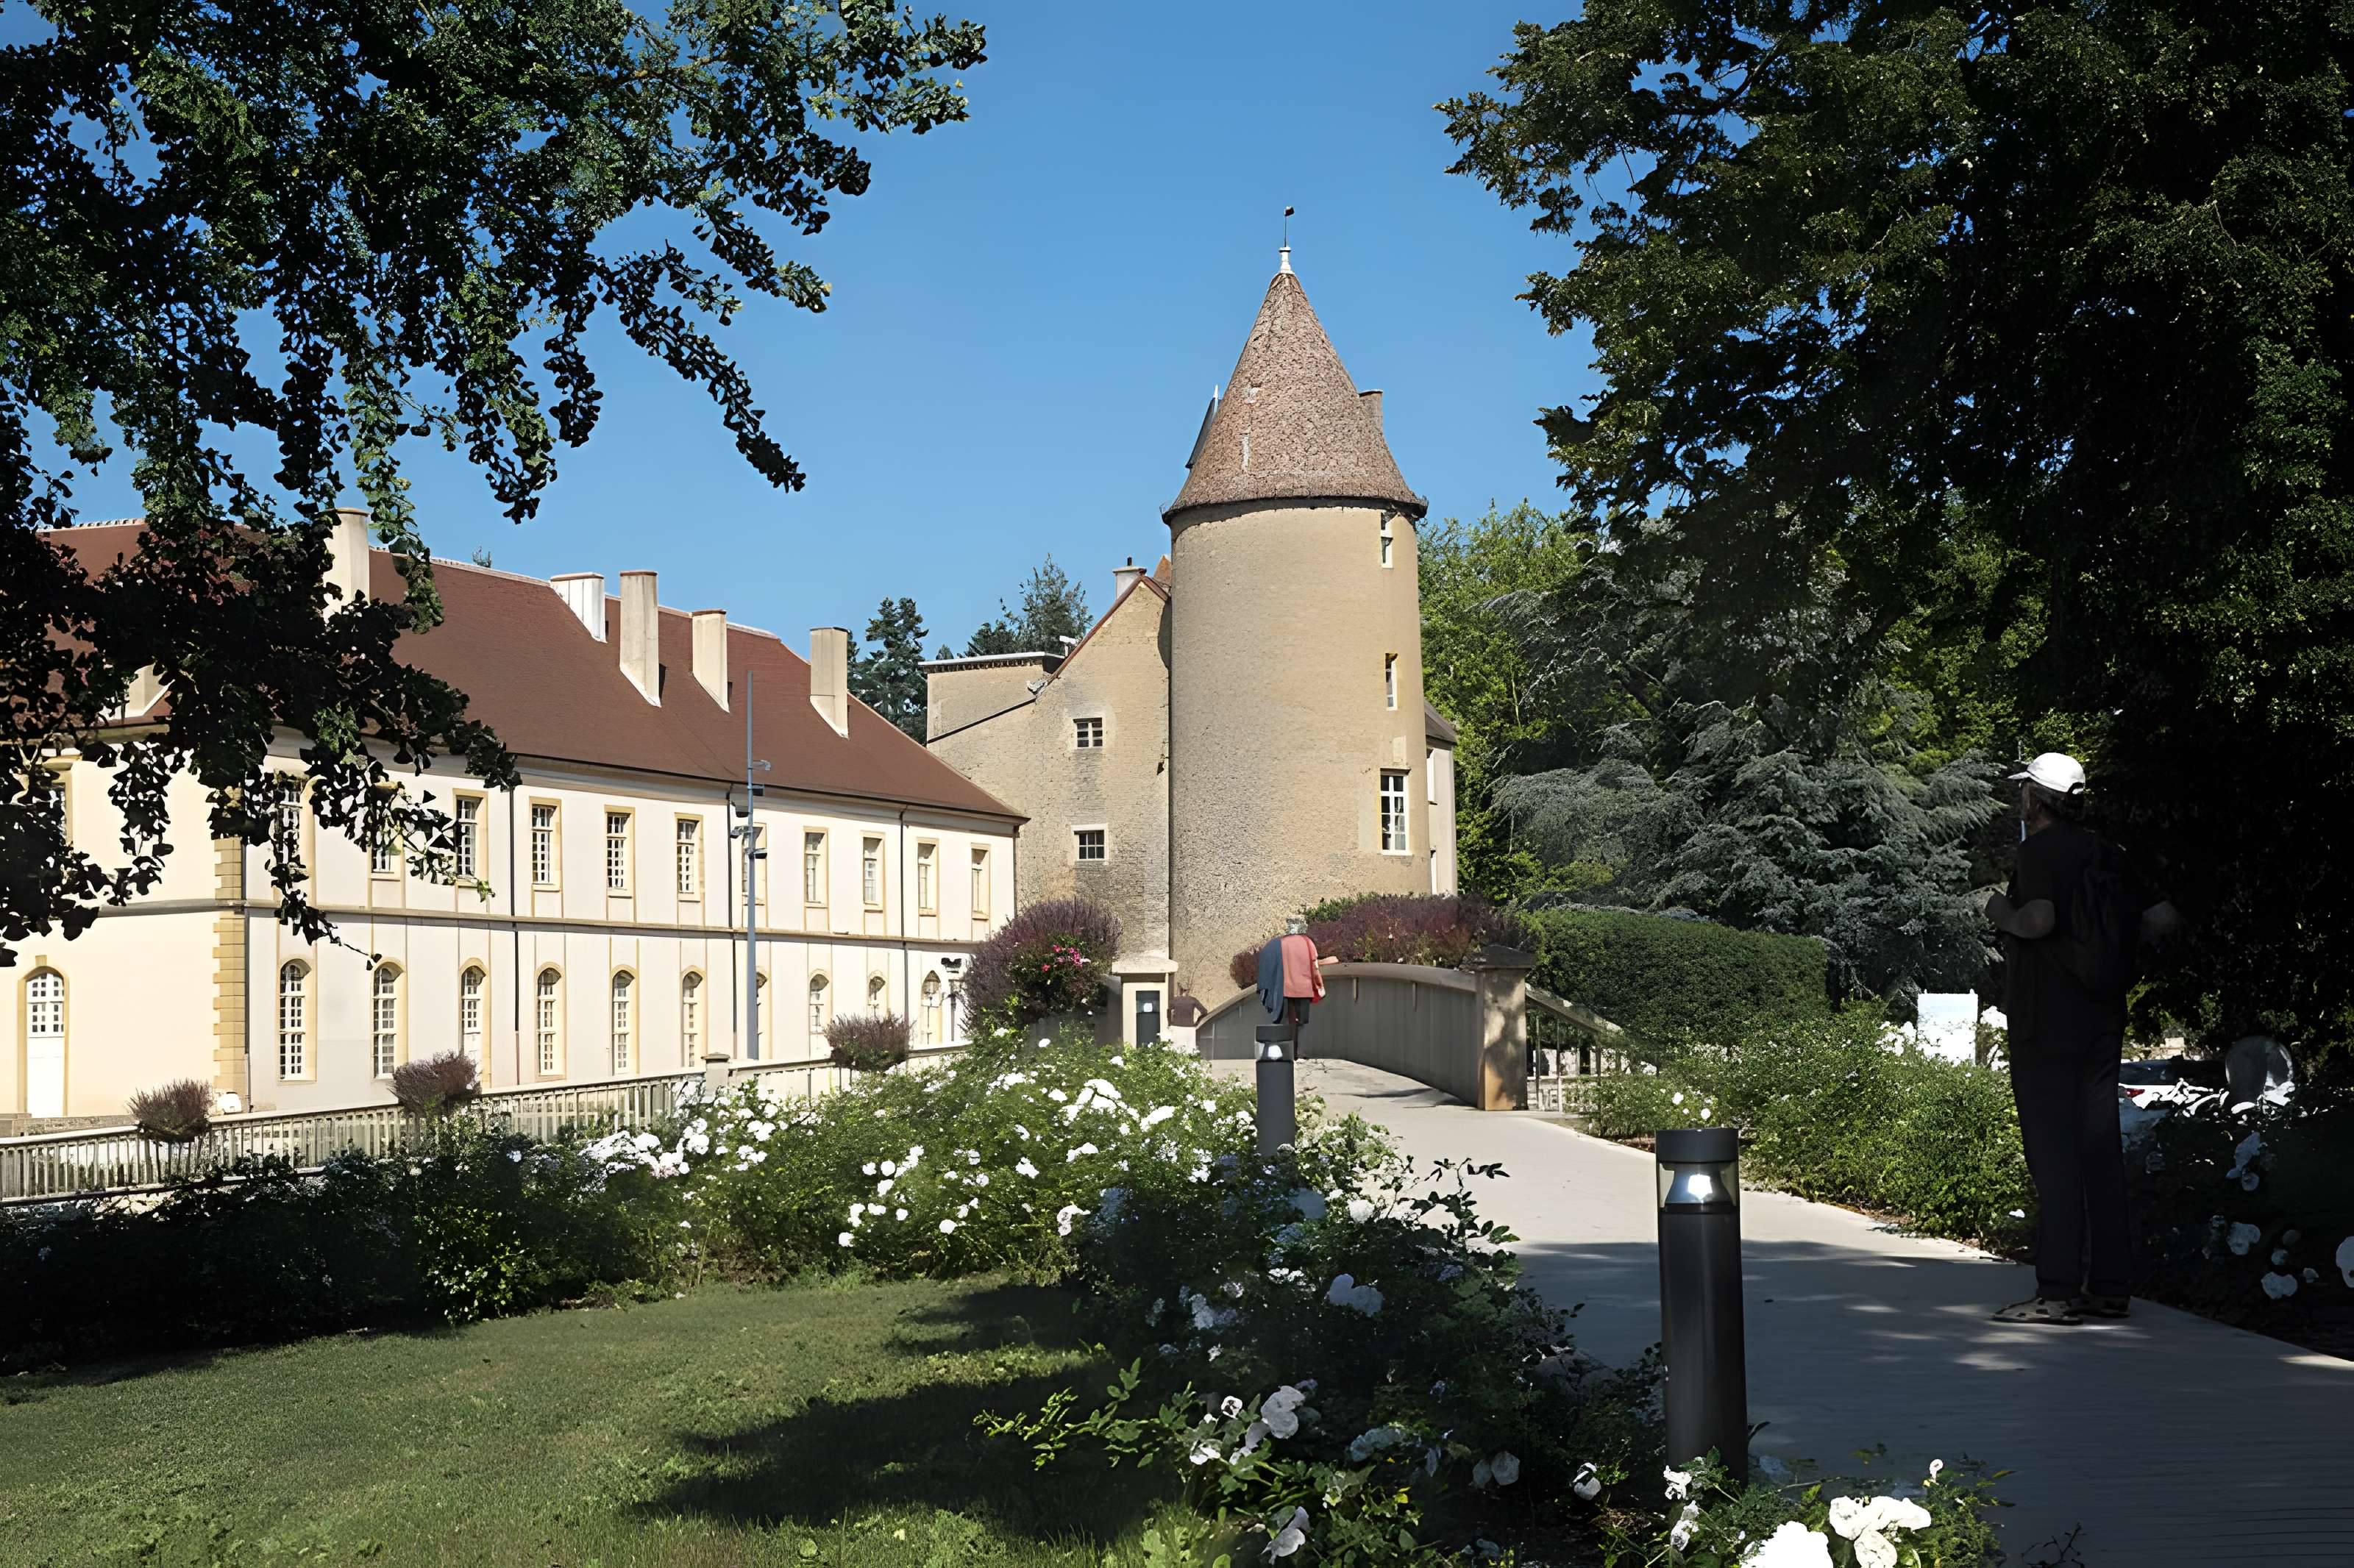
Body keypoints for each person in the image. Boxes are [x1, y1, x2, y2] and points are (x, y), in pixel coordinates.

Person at [1983, 753, 2175, 1326]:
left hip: (2046, 1020)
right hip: (2102, 1018)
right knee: (2098, 1146)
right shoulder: (2108, 854)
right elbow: (2163, 919)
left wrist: (2000, 911)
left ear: (2033, 801)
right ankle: (2111, 1287)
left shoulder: (2038, 853)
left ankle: (2058, 1290)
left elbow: (2037, 920)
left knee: (2052, 1151)